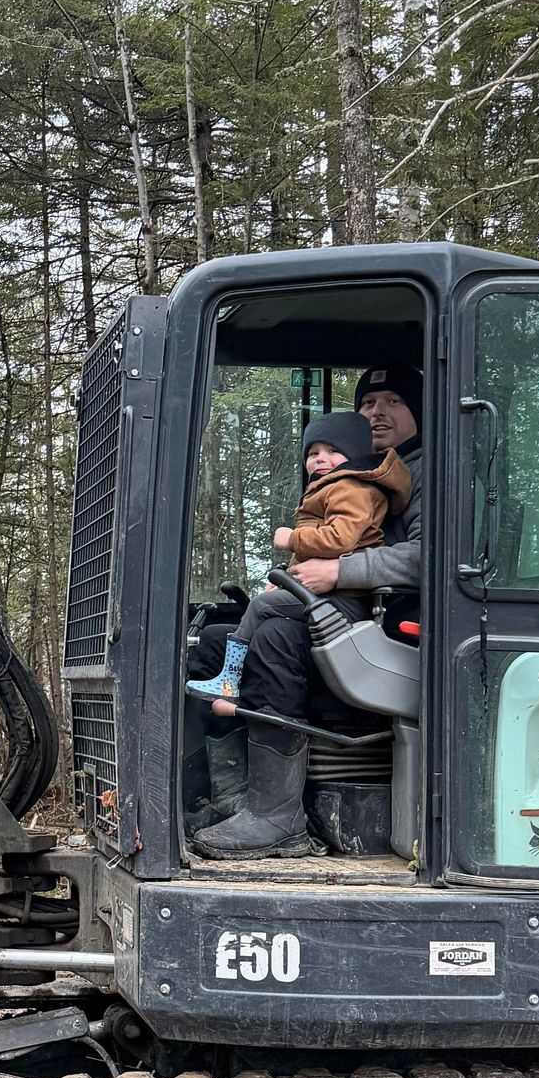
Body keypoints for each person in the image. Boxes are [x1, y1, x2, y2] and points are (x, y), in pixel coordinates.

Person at [192, 360, 423, 861]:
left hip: (398, 630)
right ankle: (239, 802)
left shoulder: (426, 475)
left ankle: (278, 819)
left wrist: (340, 572)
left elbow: (429, 558)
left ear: (418, 411)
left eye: (394, 402)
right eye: (367, 404)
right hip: (350, 616)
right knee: (215, 639)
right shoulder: (351, 474)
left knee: (275, 638)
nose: (377, 412)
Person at [187, 412, 410, 713]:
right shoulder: (333, 485)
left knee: (262, 609)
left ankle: (231, 680)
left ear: (355, 454)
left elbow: (340, 539)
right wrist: (287, 579)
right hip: (329, 595)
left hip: (344, 600)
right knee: (234, 624)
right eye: (313, 452)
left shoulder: (351, 488)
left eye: (333, 451)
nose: (321, 459)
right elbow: (315, 553)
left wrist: (291, 538)